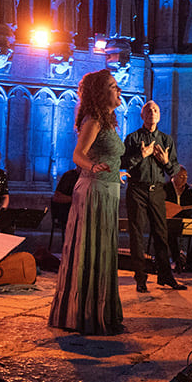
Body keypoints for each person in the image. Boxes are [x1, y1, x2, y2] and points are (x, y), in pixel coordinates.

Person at [48, 69, 125, 335]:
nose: (119, 91)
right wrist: (93, 168)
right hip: (94, 191)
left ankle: (101, 312)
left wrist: (117, 171)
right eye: (114, 87)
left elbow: (107, 157)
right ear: (101, 92)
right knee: (92, 250)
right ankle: (84, 314)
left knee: (104, 251)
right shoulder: (93, 120)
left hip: (108, 189)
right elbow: (78, 155)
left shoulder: (109, 122)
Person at [121, 101, 186, 293]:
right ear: (142, 115)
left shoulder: (166, 140)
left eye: (156, 110)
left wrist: (165, 161)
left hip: (157, 190)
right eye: (148, 110)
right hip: (137, 190)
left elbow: (174, 170)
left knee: (161, 234)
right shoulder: (132, 138)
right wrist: (141, 155)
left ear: (159, 115)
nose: (152, 112)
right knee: (137, 234)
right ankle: (140, 278)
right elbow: (123, 163)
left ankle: (165, 276)